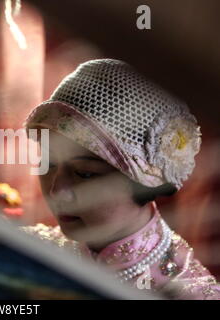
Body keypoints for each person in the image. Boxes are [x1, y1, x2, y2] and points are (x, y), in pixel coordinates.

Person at [21, 59, 220, 299]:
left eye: (84, 174)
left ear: (143, 184)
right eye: (48, 164)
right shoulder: (28, 253)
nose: (56, 191)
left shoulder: (186, 294)